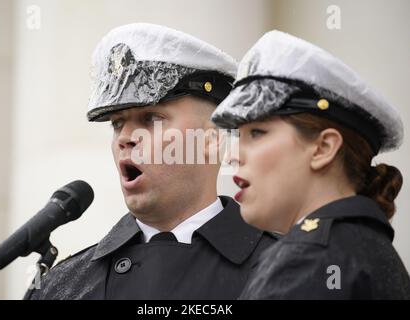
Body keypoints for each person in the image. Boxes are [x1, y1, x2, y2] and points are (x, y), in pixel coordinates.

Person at [27, 23, 277, 300]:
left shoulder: (287, 272)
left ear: (212, 139)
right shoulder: (63, 286)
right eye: (117, 123)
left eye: (152, 119)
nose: (126, 138)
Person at [212, 30, 410, 299]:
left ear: (323, 148)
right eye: (238, 135)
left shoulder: (306, 260)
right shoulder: (372, 250)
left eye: (257, 133)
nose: (232, 156)